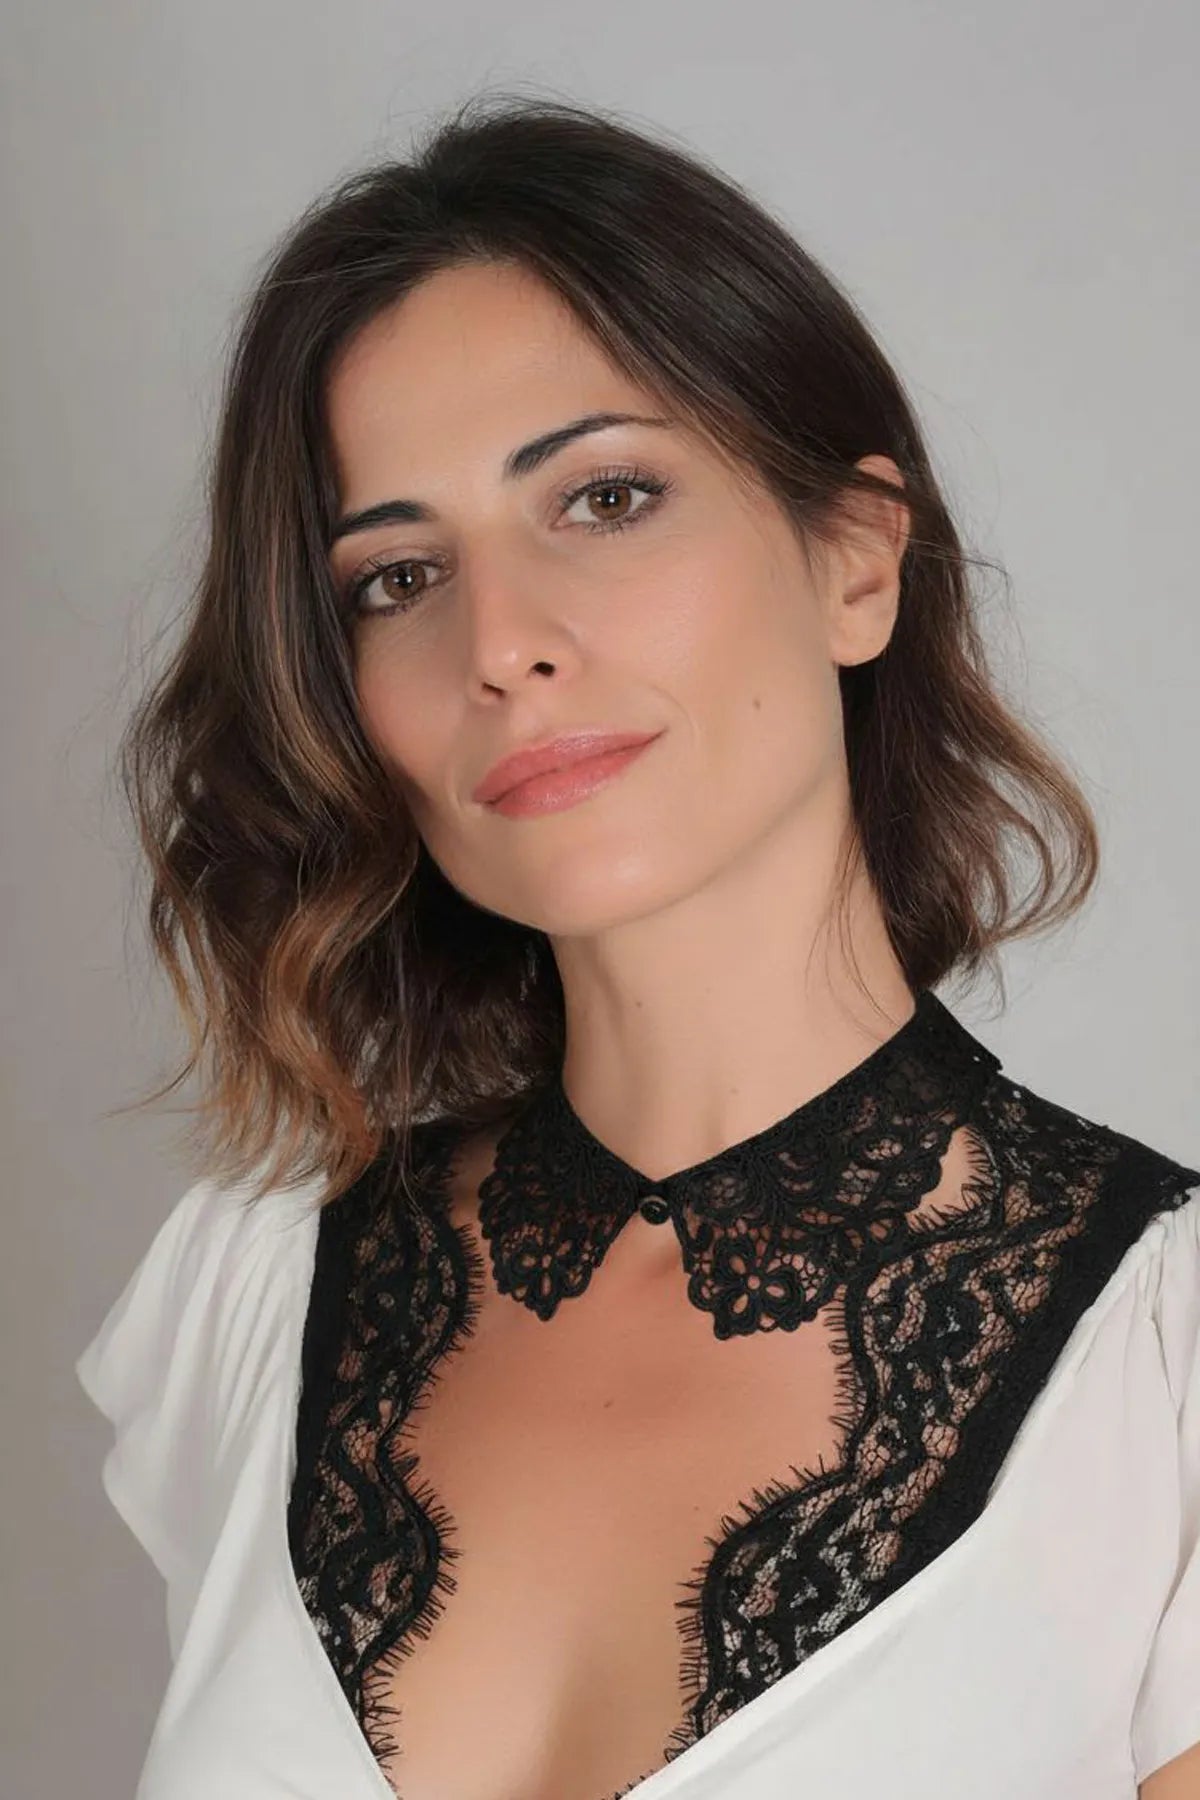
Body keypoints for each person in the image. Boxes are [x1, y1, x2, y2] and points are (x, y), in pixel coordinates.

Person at [76, 93, 1200, 1800]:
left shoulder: (1166, 1371)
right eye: (396, 577)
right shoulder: (248, 1292)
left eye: (604, 498)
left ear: (856, 562)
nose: (500, 641)